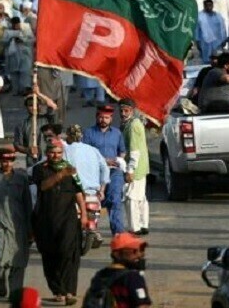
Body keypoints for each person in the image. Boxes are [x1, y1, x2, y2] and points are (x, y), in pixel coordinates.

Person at [32, 141, 88, 305]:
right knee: (50, 255)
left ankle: (69, 291)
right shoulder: (40, 169)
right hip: (46, 219)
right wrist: (60, 175)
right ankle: (58, 291)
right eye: (52, 153)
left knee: (68, 253)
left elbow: (78, 192)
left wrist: (84, 214)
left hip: (68, 219)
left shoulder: (70, 169)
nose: (55, 156)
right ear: (47, 153)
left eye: (58, 153)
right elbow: (43, 186)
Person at [0, 147, 33, 299]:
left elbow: (27, 203)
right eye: (4, 160)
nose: (7, 163)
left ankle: (15, 293)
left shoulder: (21, 179)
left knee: (18, 261)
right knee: (0, 258)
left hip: (19, 225)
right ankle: (0, 278)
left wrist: (30, 228)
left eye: (10, 160)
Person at [82, 105, 127, 236]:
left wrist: (118, 160)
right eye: (101, 117)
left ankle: (118, 232)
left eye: (106, 117)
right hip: (95, 172)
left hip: (114, 172)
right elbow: (85, 154)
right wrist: (103, 161)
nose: (103, 120)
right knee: (94, 200)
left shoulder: (117, 133)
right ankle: (92, 231)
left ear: (111, 118)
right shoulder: (89, 133)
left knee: (115, 200)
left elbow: (122, 151)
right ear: (96, 117)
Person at [83, 232, 152, 308]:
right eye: (134, 251)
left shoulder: (100, 275)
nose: (141, 254)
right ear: (117, 254)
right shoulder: (133, 277)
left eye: (142, 250)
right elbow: (142, 306)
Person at [119, 99, 150, 236]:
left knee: (131, 198)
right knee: (140, 197)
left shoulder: (133, 125)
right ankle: (143, 225)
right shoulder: (131, 123)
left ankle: (135, 227)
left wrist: (130, 170)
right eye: (121, 111)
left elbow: (135, 150)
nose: (123, 113)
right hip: (141, 167)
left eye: (126, 111)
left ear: (132, 111)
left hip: (136, 168)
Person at [14, 93, 57, 167]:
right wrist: (28, 150)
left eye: (36, 104)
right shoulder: (21, 125)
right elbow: (17, 145)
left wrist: (38, 93)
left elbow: (53, 106)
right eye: (30, 105)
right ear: (26, 107)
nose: (34, 107)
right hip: (32, 162)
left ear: (40, 106)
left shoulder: (47, 119)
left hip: (49, 160)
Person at [4, 16, 35, 95]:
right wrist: (11, 39)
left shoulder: (26, 29)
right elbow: (3, 42)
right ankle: (16, 90)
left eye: (17, 24)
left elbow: (32, 40)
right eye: (14, 25)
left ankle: (25, 89)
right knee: (14, 72)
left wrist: (23, 40)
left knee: (25, 72)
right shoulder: (8, 31)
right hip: (13, 55)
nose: (15, 26)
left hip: (25, 54)